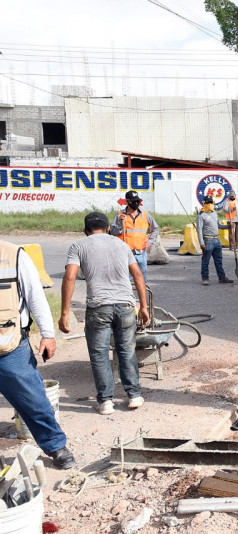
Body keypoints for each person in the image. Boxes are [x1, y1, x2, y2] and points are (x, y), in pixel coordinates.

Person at [59, 212, 151, 416]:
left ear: (85, 231)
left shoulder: (78, 246)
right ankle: (134, 395)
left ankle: (106, 402)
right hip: (125, 305)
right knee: (126, 350)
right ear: (108, 228)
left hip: (98, 306)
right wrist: (143, 306)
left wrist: (65, 313)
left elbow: (70, 277)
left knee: (99, 354)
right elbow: (137, 274)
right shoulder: (121, 244)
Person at [0, 240, 76, 469]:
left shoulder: (13, 255)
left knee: (32, 399)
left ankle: (55, 447)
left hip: (10, 346)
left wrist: (48, 334)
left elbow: (35, 297)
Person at [110, 190, 160, 281]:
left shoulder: (145, 214)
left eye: (138, 201)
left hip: (140, 253)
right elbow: (113, 232)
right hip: (125, 253)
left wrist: (150, 242)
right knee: (125, 280)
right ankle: (127, 295)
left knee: (141, 280)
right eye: (133, 202)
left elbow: (155, 229)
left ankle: (143, 295)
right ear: (127, 202)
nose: (136, 203)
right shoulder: (120, 215)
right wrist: (121, 224)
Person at [197, 195, 235, 285]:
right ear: (204, 203)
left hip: (217, 240)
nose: (210, 204)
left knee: (219, 260)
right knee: (205, 261)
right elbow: (198, 230)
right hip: (208, 240)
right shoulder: (201, 215)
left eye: (211, 202)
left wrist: (227, 227)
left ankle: (222, 277)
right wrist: (201, 243)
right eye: (208, 203)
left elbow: (218, 225)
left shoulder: (214, 213)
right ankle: (205, 278)